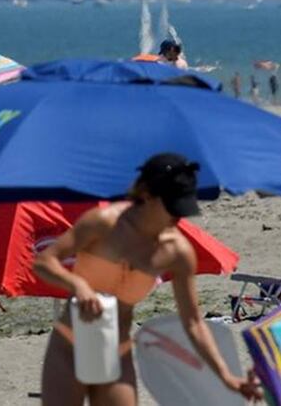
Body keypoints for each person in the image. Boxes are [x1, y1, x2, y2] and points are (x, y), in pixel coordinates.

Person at [33, 153, 261, 406]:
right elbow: (44, 262)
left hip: (115, 351)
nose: (178, 217)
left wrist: (228, 378)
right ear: (148, 195)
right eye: (173, 207)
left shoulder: (177, 252)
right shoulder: (103, 223)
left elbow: (194, 323)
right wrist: (78, 284)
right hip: (69, 345)